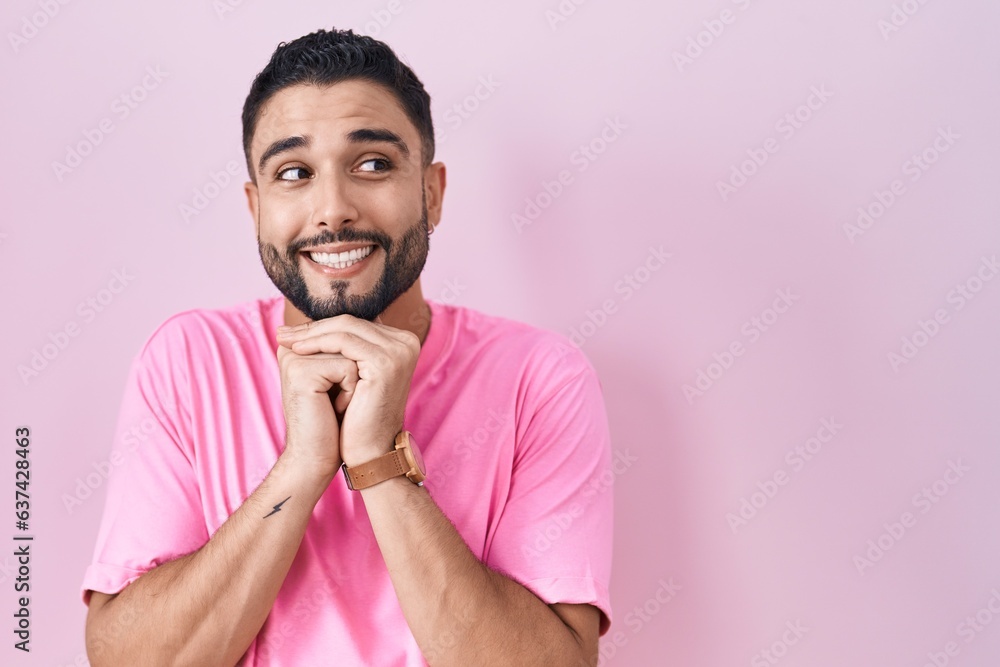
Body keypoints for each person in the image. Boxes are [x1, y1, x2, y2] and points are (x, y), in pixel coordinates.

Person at [81, 27, 614, 666]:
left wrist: (376, 460)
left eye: (373, 164)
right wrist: (303, 463)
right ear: (256, 208)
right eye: (294, 172)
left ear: (433, 193)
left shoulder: (538, 377)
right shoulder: (188, 361)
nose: (332, 210)